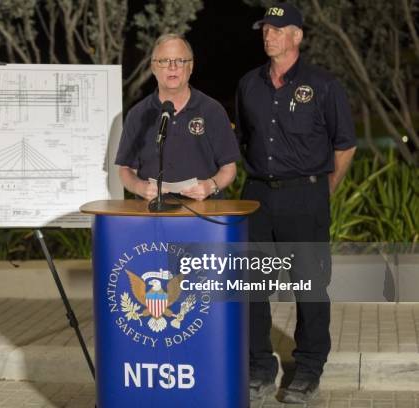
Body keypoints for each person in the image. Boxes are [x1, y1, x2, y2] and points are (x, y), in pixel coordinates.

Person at [235, 3, 357, 403]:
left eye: (277, 28)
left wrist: (323, 190)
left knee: (309, 287)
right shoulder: (248, 85)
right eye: (264, 29)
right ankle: (260, 368)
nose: (268, 35)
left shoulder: (323, 86)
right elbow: (243, 142)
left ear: (297, 35)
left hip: (306, 197)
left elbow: (345, 146)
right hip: (258, 198)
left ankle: (307, 371)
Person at [115, 33, 239, 201]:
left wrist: (210, 186)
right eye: (164, 61)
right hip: (151, 214)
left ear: (191, 66)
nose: (172, 67)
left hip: (204, 214)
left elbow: (229, 168)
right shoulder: (138, 114)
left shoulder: (213, 110)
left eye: (180, 61)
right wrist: (140, 187)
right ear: (153, 67)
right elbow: (125, 169)